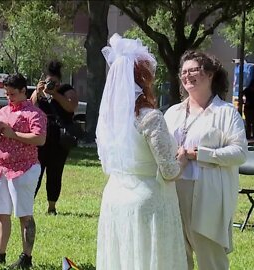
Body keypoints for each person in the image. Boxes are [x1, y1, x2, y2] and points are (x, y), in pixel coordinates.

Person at [96, 33, 188, 270]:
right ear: (144, 79)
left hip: (116, 196)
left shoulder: (110, 121)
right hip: (149, 199)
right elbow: (168, 170)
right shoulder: (150, 117)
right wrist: (183, 157)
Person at [164, 50, 247, 270]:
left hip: (208, 194)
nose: (187, 76)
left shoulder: (226, 113)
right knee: (177, 256)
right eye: (183, 72)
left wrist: (200, 154)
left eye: (193, 70)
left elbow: (239, 153)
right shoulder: (172, 112)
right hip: (172, 190)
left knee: (211, 258)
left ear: (210, 74)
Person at [0, 74, 47, 269]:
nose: (9, 97)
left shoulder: (34, 113)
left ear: (24, 91)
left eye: (12, 94)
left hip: (24, 168)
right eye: (6, 94)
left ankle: (26, 258)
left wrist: (14, 134)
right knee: (1, 213)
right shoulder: (3, 111)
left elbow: (39, 139)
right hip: (0, 168)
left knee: (24, 215)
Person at [30, 60, 78, 215]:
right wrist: (38, 92)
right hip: (41, 135)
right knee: (35, 170)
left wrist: (55, 93)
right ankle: (28, 204)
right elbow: (30, 106)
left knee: (55, 172)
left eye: (54, 82)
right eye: (48, 81)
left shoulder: (66, 90)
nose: (51, 84)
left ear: (60, 81)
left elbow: (71, 106)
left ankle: (52, 207)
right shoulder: (41, 90)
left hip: (59, 137)